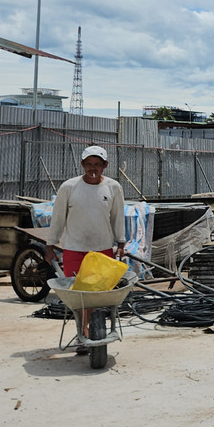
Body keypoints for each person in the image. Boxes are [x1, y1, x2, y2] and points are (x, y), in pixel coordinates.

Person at [44, 145, 126, 354]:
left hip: (102, 251)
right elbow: (58, 219)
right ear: (82, 165)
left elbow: (118, 217)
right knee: (80, 296)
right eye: (89, 164)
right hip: (75, 249)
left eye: (97, 164)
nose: (93, 168)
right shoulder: (69, 188)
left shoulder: (113, 187)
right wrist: (50, 246)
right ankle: (83, 332)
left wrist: (121, 243)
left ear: (105, 166)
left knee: (97, 295)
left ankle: (93, 329)